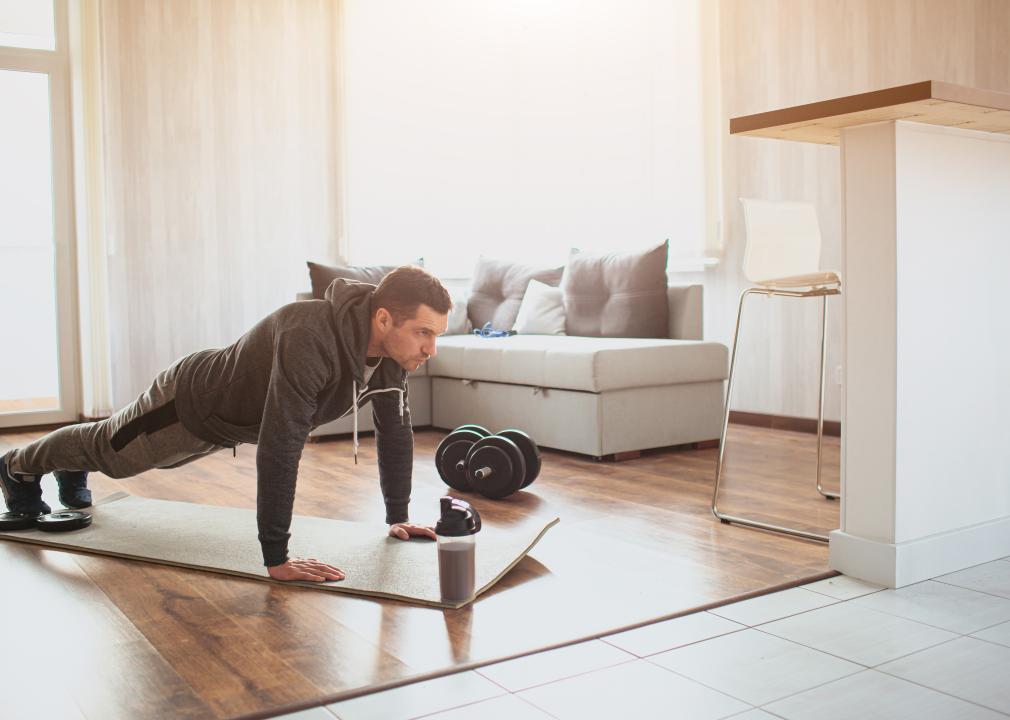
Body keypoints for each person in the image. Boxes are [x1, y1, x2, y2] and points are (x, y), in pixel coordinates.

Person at [0, 265, 450, 582]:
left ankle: (71, 465)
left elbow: (395, 434)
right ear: (384, 318)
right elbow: (282, 445)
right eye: (423, 332)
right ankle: (16, 465)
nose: (430, 349)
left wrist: (398, 517)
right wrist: (277, 558)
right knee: (111, 454)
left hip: (229, 425)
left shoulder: (392, 360)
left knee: (110, 455)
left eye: (437, 336)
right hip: (189, 400)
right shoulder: (309, 335)